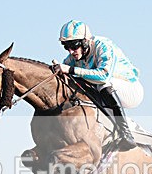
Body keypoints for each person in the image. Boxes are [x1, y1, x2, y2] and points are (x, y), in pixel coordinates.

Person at [51, 20, 142, 151]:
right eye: (66, 47)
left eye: (74, 46)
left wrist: (71, 70)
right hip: (109, 89)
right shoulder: (73, 57)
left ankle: (126, 134)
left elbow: (103, 76)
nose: (71, 51)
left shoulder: (103, 46)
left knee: (103, 84)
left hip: (131, 89)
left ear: (85, 41)